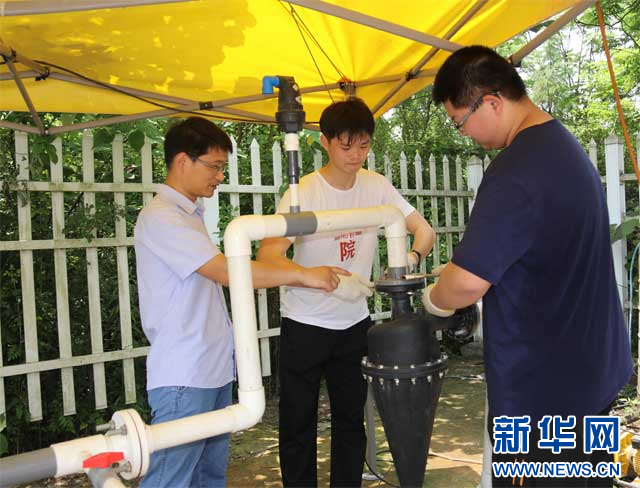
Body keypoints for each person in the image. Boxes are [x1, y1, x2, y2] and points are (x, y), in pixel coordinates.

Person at [424, 45, 633, 487]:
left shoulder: (516, 170)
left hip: (543, 395)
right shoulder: (563, 147)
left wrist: (434, 299)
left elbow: (465, 285)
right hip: (589, 374)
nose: (463, 133)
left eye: (459, 121)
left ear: (492, 102)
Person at [134, 116, 347, 488]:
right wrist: (303, 275)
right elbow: (226, 271)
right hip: (185, 376)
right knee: (170, 479)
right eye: (214, 166)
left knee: (208, 478)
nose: (219, 176)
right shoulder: (162, 217)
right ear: (182, 161)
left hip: (211, 369)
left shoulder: (189, 214)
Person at [257, 98, 436, 487]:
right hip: (304, 322)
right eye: (346, 146)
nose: (356, 155)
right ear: (324, 142)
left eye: (364, 145)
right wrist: (311, 275)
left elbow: (424, 231)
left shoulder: (376, 185)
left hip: (354, 322)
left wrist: (409, 257)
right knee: (297, 422)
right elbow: (268, 258)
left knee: (351, 421)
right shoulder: (304, 192)